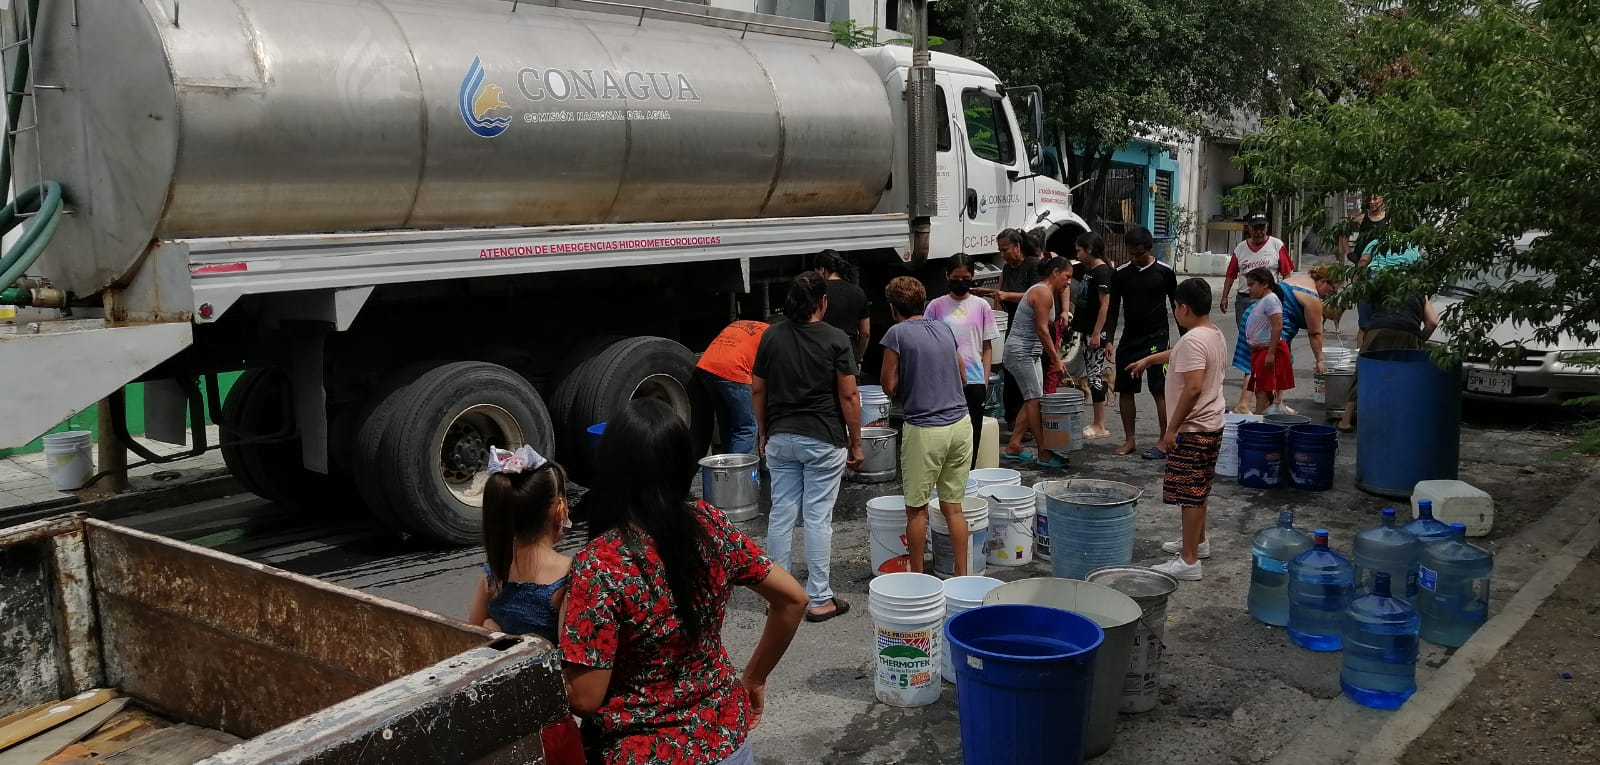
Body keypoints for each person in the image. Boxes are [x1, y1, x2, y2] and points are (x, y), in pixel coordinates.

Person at [562, 399, 808, 765]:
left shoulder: (600, 564)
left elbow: (585, 697)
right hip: (725, 740)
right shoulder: (712, 525)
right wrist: (754, 677)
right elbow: (793, 599)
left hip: (637, 750)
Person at [752, 271, 863, 622]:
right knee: (817, 518)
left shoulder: (771, 336)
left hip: (781, 437)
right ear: (823, 302)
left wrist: (762, 431)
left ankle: (779, 596)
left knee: (781, 513)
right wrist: (856, 442)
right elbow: (849, 394)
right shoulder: (835, 339)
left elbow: (757, 388)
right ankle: (819, 599)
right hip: (822, 437)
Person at [1126, 278, 1228, 581]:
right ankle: (1197, 542)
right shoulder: (1212, 333)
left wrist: (1171, 430)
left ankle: (1188, 560)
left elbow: (1194, 386)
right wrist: (1148, 360)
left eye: (1175, 307)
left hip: (1194, 428)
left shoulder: (1194, 339)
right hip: (1212, 423)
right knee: (1200, 488)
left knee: (1190, 494)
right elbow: (1179, 354)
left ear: (1183, 307)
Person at [880, 276, 974, 576]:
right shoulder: (944, 328)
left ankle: (919, 577)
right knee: (953, 508)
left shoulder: (896, 334)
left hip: (925, 429)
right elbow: (962, 377)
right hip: (961, 424)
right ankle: (961, 575)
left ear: (894, 307)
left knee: (917, 509)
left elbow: (888, 385)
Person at [466, 445, 572, 643]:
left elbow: (472, 636)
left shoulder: (494, 572)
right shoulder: (570, 575)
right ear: (560, 510)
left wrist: (492, 628)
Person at [1107, 225, 1179, 458]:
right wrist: (1108, 339)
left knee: (1160, 389)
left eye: (1140, 254)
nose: (1136, 258)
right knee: (1125, 389)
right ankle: (1130, 440)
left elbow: (1179, 307)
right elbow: (1112, 308)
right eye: (1131, 254)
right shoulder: (1120, 273)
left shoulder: (1165, 272)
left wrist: (1187, 337)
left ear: (1149, 249)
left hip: (1157, 337)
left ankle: (1163, 440)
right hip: (1130, 337)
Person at [1229, 265, 1341, 413]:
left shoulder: (1300, 279)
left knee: (1272, 363)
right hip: (1266, 328)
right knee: (1265, 367)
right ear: (1323, 282)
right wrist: (1320, 360)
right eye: (1331, 289)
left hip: (1252, 317)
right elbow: (1315, 333)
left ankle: (1272, 403)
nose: (1329, 295)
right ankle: (1257, 411)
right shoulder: (1312, 298)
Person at [925, 253, 1000, 465]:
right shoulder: (936, 306)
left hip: (974, 380)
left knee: (972, 433)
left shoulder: (982, 306)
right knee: (944, 432)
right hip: (944, 381)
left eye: (966, 278)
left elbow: (987, 347)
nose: (961, 282)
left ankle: (970, 475)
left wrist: (984, 380)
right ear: (947, 276)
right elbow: (928, 343)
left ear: (973, 277)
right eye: (956, 278)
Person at [1337, 282, 1440, 433]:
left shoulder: (1382, 284)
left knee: (1364, 372)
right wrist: (1418, 340)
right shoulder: (1420, 290)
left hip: (1379, 329)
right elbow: (1432, 323)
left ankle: (1346, 420)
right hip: (1409, 332)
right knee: (1405, 378)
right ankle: (1401, 422)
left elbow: (1364, 322)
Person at [1002, 256, 1073, 469]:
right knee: (1034, 399)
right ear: (1055, 272)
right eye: (1067, 277)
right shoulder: (1042, 292)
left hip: (1029, 352)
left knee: (1034, 397)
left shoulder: (1044, 291)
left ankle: (1014, 444)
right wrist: (1056, 360)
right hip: (1020, 352)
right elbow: (1042, 330)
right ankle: (1044, 452)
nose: (1068, 283)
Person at [973, 228, 1041, 423]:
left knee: (1028, 377)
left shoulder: (1033, 266)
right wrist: (987, 292)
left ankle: (1028, 421)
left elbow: (1036, 295)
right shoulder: (1007, 269)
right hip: (1013, 323)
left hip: (1031, 327)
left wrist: (1006, 296)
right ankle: (1013, 418)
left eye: (1005, 250)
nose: (1002, 254)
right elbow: (1002, 295)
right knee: (1010, 372)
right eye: (1000, 250)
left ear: (1018, 246)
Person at [695, 319, 769, 455]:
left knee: (727, 425)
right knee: (746, 428)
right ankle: (737, 475)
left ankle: (727, 470)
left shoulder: (743, 323)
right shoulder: (772, 333)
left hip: (706, 367)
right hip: (733, 370)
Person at [1219, 213, 1294, 336]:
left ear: (1267, 228)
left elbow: (1287, 274)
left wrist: (1286, 298)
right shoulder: (1240, 248)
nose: (1259, 232)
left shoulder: (1277, 245)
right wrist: (1224, 297)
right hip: (1244, 299)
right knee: (1246, 336)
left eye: (1261, 228)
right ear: (1249, 228)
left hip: (1268, 299)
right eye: (1255, 228)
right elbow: (1230, 275)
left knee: (1267, 336)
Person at [1072, 231, 1115, 439]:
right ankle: (1098, 423)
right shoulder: (1090, 270)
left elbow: (1105, 306)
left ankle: (1100, 425)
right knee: (1092, 375)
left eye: (1079, 250)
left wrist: (1098, 334)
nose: (1077, 254)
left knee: (1094, 377)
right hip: (1088, 331)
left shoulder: (1102, 273)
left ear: (1089, 249)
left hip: (1095, 333)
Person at [1241, 268, 1296, 414]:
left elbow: (1277, 326)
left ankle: (1260, 422)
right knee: (1263, 389)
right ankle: (1265, 420)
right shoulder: (1264, 301)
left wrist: (1271, 354)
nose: (1249, 288)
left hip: (1267, 350)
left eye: (1252, 284)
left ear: (1264, 284)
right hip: (1260, 350)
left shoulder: (1271, 300)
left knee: (1262, 391)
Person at [816, 250, 870, 370]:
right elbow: (865, 333)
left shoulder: (817, 292)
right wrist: (857, 357)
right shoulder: (858, 292)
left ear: (822, 269)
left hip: (822, 354)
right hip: (848, 353)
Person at [1341, 194, 1388, 264]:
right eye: (1369, 200)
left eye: (1375, 199)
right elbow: (1344, 233)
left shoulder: (1388, 219)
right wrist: (1349, 253)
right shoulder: (1362, 218)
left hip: (1381, 259)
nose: (1371, 202)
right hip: (1361, 259)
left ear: (1382, 200)